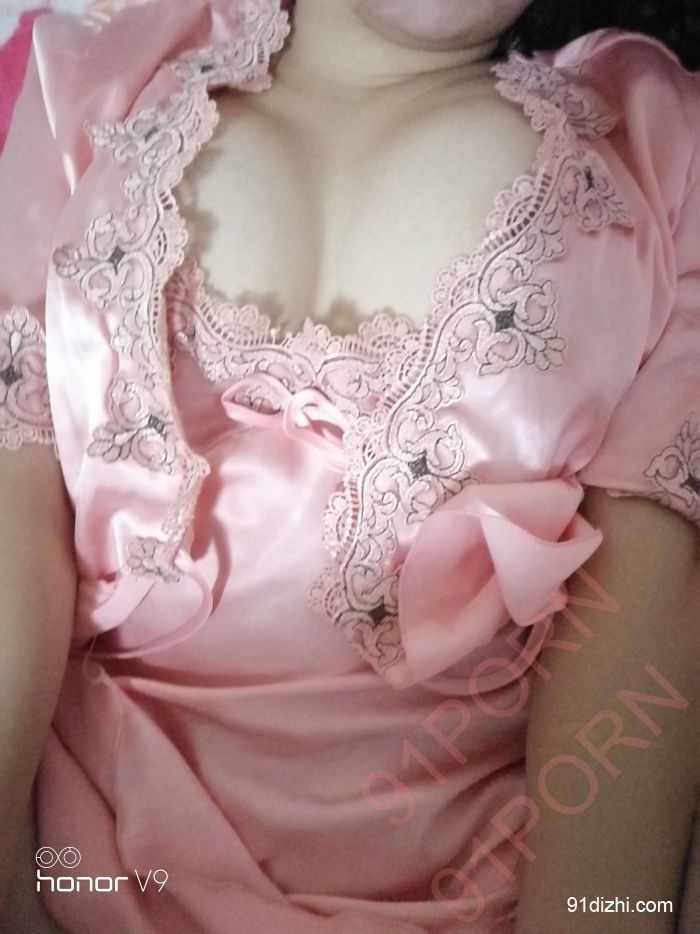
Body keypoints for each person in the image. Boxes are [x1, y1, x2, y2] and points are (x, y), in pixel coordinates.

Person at [0, 0, 698, 931]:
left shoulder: (660, 141)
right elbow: (12, 509)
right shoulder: (91, 75)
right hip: (61, 864)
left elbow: (638, 631)